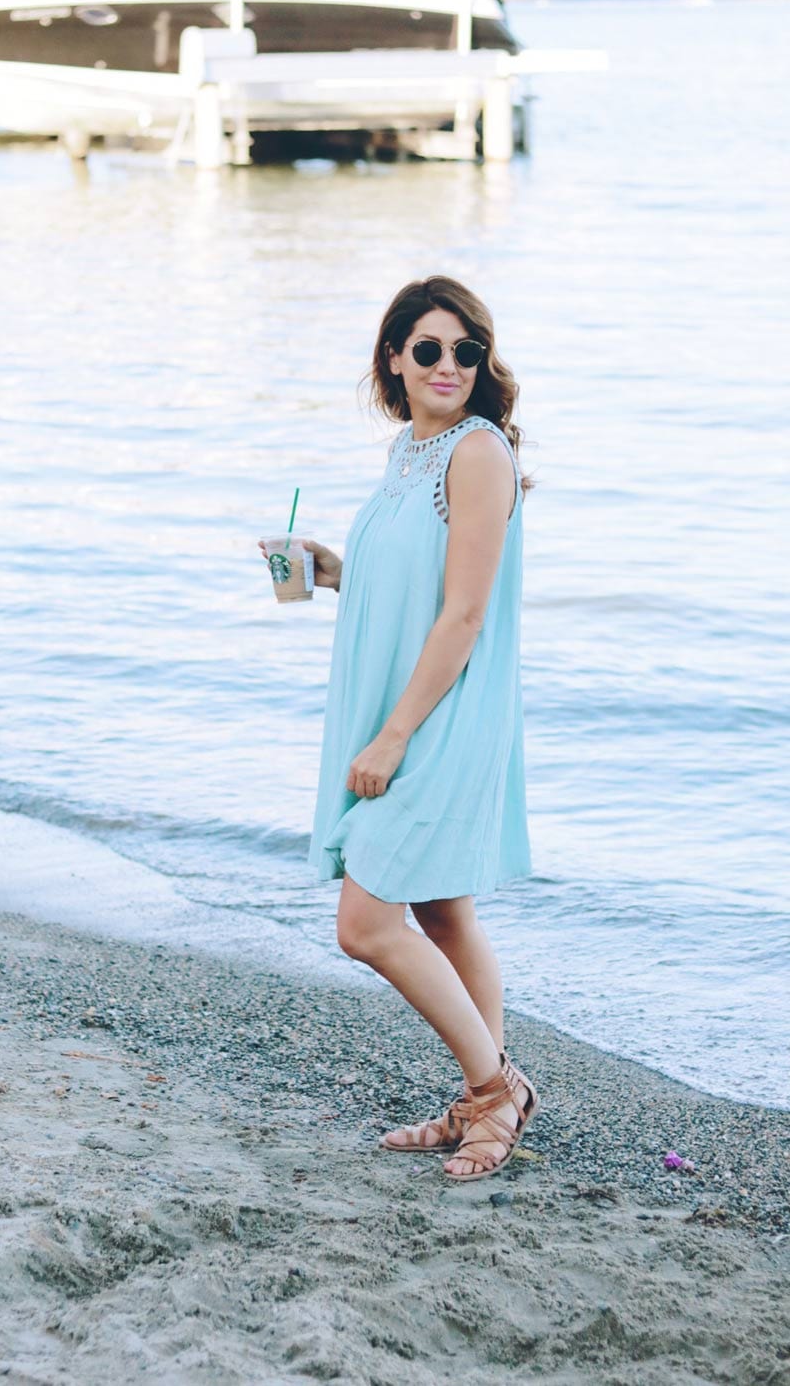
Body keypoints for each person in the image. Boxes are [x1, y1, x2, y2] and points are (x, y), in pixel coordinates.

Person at [263, 275, 538, 1181]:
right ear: (394, 360)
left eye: (466, 350)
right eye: (428, 350)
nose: (449, 365)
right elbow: (415, 588)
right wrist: (333, 571)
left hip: (442, 716)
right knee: (440, 908)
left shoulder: (478, 451)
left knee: (366, 921)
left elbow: (464, 616)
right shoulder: (409, 454)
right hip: (411, 705)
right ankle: (480, 1101)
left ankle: (498, 1092)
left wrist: (391, 738)